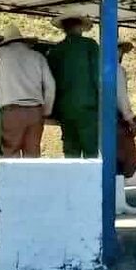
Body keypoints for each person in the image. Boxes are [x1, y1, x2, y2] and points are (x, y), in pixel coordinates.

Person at [0, 25, 55, 158]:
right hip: (35, 112)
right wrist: (46, 111)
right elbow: (50, 86)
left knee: (10, 155)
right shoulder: (38, 56)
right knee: (32, 157)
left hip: (10, 112)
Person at [46, 8, 99, 158]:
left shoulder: (56, 50)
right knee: (91, 152)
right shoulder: (90, 45)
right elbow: (99, 77)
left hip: (65, 109)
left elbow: (50, 82)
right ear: (80, 26)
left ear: (64, 28)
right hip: (88, 108)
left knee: (71, 152)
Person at [116, 36, 136, 216]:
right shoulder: (117, 70)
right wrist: (129, 118)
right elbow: (121, 97)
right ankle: (119, 202)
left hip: (102, 117)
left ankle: (117, 201)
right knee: (125, 160)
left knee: (115, 161)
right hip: (117, 119)